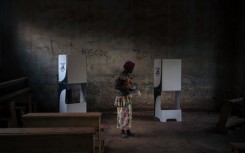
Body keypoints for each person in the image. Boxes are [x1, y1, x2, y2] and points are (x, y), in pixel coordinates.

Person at [114, 61, 137, 138]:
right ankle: (123, 131)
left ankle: (128, 130)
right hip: (121, 98)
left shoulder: (127, 75)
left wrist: (131, 89)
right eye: (132, 68)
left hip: (127, 97)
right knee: (122, 114)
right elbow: (116, 86)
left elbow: (128, 85)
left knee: (128, 115)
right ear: (128, 68)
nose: (132, 69)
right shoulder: (121, 75)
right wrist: (126, 88)